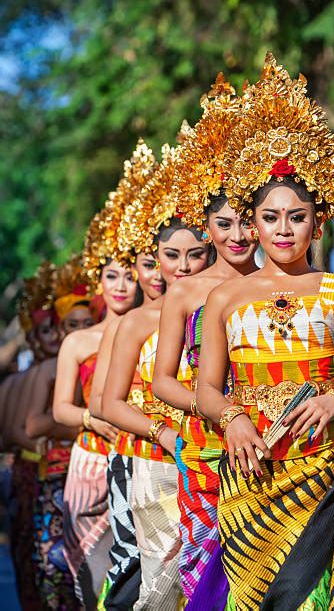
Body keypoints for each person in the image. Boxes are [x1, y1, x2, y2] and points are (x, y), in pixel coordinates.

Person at [196, 53, 334, 609]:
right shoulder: (224, 297)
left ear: (318, 219)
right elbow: (207, 387)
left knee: (319, 600)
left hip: (323, 474)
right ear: (251, 222)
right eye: (270, 217)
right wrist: (231, 419)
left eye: (297, 216)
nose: (284, 229)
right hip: (249, 477)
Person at [152, 75, 258, 601]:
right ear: (207, 227)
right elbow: (162, 382)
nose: (237, 236)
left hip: (277, 446)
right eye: (224, 223)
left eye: (247, 222)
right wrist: (219, 409)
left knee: (271, 571)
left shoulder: (283, 286)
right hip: (205, 450)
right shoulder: (186, 293)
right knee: (208, 577)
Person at [102, 144, 209, 608]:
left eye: (195, 254)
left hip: (217, 458)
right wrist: (163, 433)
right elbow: (108, 404)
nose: (182, 267)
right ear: (155, 258)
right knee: (164, 584)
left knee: (213, 581)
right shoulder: (138, 323)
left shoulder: (221, 308)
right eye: (171, 255)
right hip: (157, 465)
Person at [88, 140, 165, 610]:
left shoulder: (198, 311)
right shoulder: (127, 325)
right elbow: (101, 404)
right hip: (137, 456)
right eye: (148, 265)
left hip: (194, 457)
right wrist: (154, 427)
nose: (158, 274)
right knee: (137, 565)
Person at [53, 201, 137, 609]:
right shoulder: (78, 342)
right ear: (98, 281)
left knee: (138, 578)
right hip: (90, 463)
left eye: (129, 276)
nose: (121, 285)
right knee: (90, 576)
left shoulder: (149, 330)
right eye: (111, 276)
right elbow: (60, 411)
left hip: (140, 460)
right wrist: (91, 418)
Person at [25, 255, 95, 610]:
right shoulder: (52, 367)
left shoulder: (98, 352)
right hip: (57, 477)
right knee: (59, 570)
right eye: (71, 324)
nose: (79, 329)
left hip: (94, 470)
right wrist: (79, 421)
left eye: (87, 321)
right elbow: (32, 425)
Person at [9, 262, 60, 610]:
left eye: (59, 328)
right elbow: (16, 430)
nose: (55, 337)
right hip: (36, 476)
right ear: (32, 338)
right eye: (46, 331)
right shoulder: (38, 373)